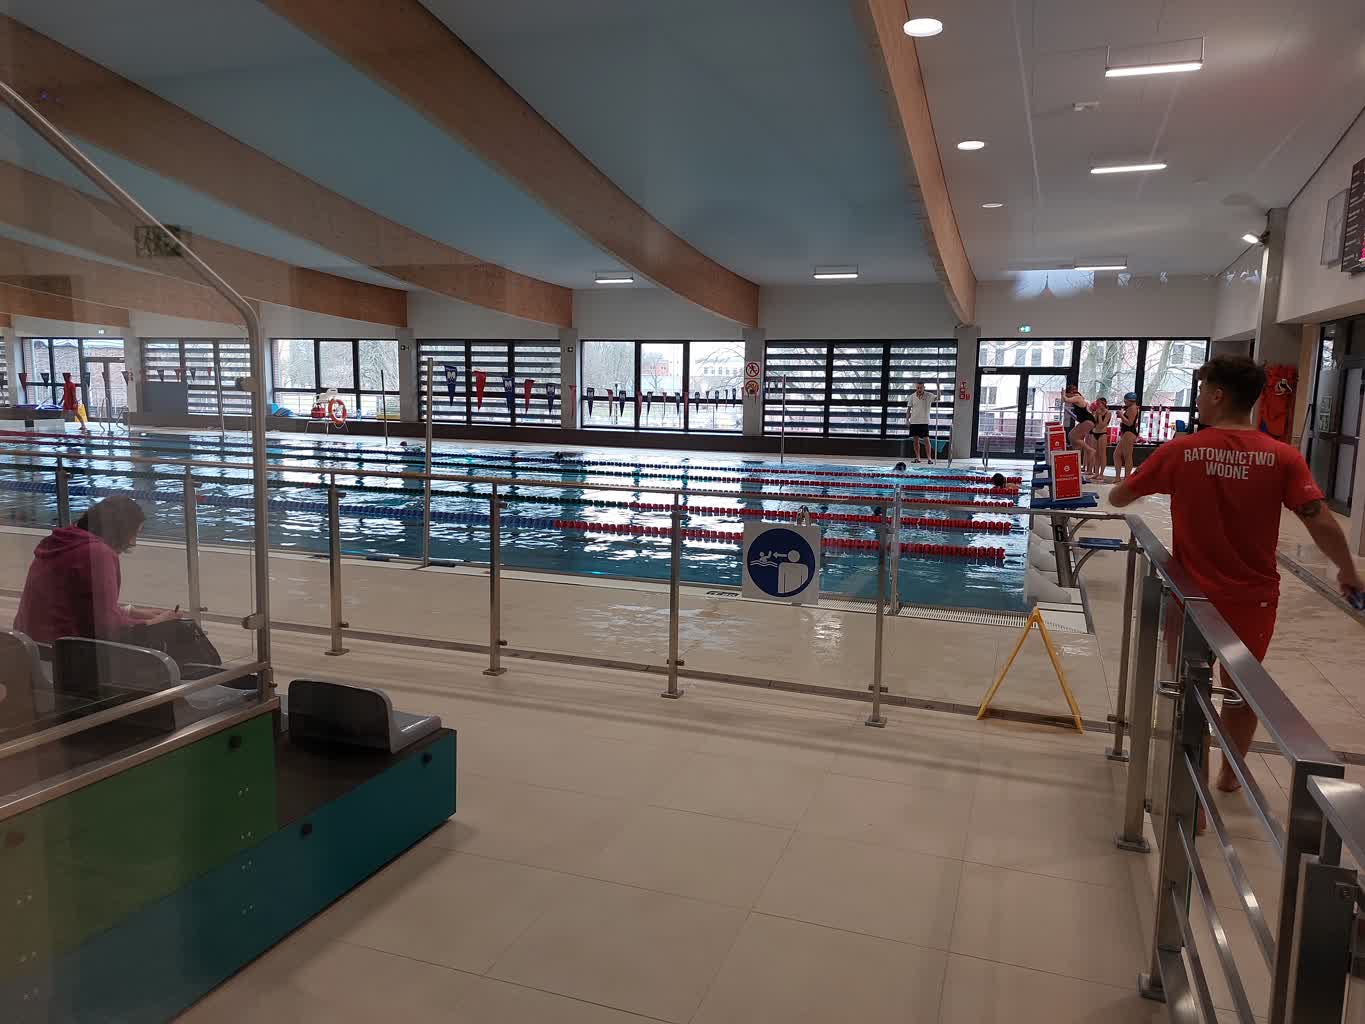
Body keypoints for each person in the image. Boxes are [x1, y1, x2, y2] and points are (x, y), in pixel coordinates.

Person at [1110, 356, 1363, 792]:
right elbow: (1319, 519)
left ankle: (1191, 796)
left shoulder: (1181, 451)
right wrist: (1347, 570)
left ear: (1217, 394)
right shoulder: (1282, 456)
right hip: (1254, 599)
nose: (1198, 399)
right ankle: (1230, 775)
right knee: (1241, 690)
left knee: (1187, 687)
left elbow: (1119, 497)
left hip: (1190, 597)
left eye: (1201, 390)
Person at [14, 496, 181, 645]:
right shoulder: (97, 553)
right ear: (121, 531)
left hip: (28, 646)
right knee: (172, 642)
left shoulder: (63, 541)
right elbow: (108, 629)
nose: (133, 543)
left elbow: (78, 607)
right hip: (63, 654)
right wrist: (157, 623)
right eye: (134, 534)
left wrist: (132, 612)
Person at [1062, 384, 1096, 470]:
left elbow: (1066, 400)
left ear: (1071, 393)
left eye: (1068, 394)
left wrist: (1062, 393)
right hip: (1086, 421)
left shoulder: (1077, 397)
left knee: (1072, 436)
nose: (1067, 396)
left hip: (1088, 421)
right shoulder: (1077, 399)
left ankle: (1090, 449)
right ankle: (1075, 463)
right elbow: (1078, 417)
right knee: (1075, 444)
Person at [907, 382, 939, 464]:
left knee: (926, 440)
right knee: (915, 440)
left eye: (921, 387)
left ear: (924, 388)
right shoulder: (912, 396)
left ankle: (929, 458)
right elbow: (908, 409)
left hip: (924, 421)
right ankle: (918, 458)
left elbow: (938, 398)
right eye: (918, 388)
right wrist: (907, 420)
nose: (919, 389)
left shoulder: (929, 395)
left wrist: (938, 388)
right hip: (914, 421)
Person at [1112, 392, 1141, 482]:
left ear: (1130, 400)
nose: (1125, 402)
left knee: (1127, 456)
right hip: (1127, 433)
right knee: (1117, 454)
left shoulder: (1133, 408)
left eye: (1125, 401)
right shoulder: (1131, 408)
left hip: (1129, 433)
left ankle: (1127, 478)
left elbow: (1129, 423)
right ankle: (1118, 477)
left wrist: (1121, 415)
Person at [1090, 398, 1112, 480]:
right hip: (1094, 433)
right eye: (1097, 404)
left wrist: (1099, 415)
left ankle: (1101, 473)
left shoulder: (1108, 413)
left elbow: (1102, 425)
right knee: (1096, 454)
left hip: (1102, 434)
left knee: (1102, 454)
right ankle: (1096, 473)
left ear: (1104, 403)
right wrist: (1095, 414)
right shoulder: (1097, 412)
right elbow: (1094, 424)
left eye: (1099, 404)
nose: (1098, 405)